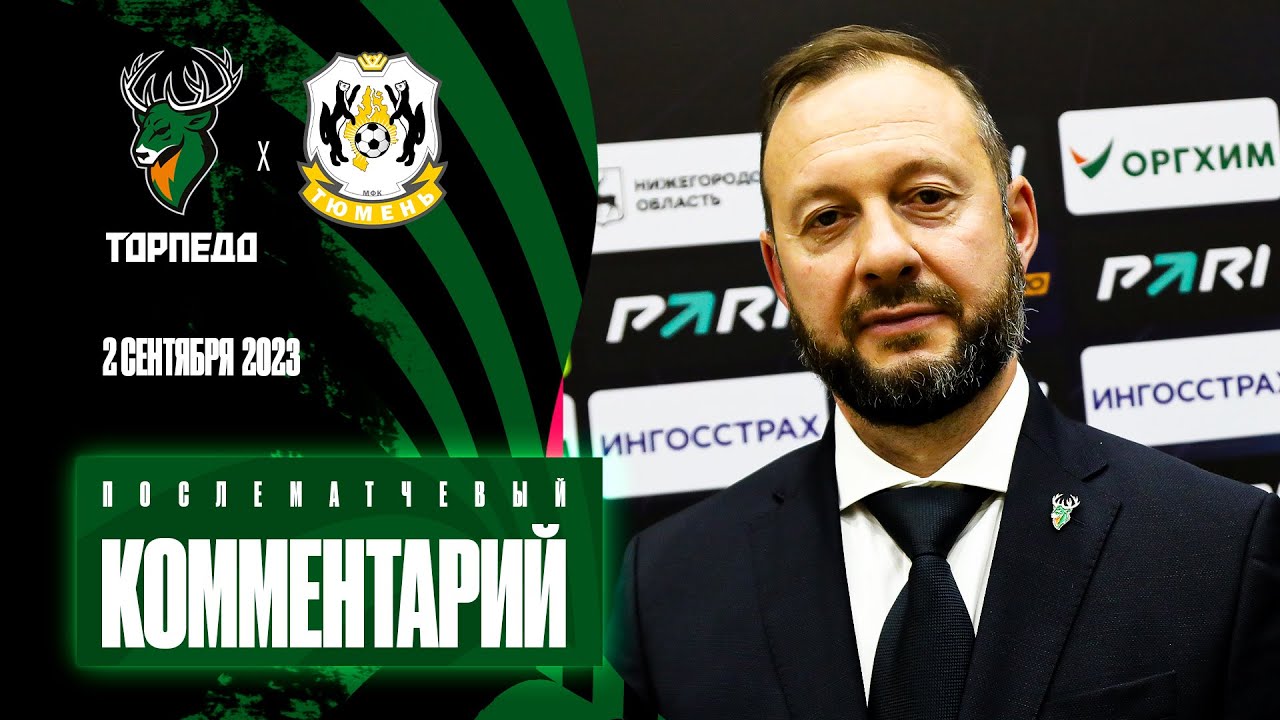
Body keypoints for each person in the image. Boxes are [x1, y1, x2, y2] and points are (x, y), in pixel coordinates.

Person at [606, 25, 1278, 720]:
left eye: (927, 197)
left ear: (1018, 226)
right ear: (779, 273)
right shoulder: (665, 590)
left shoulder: (1222, 550)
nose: (884, 255)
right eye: (828, 218)